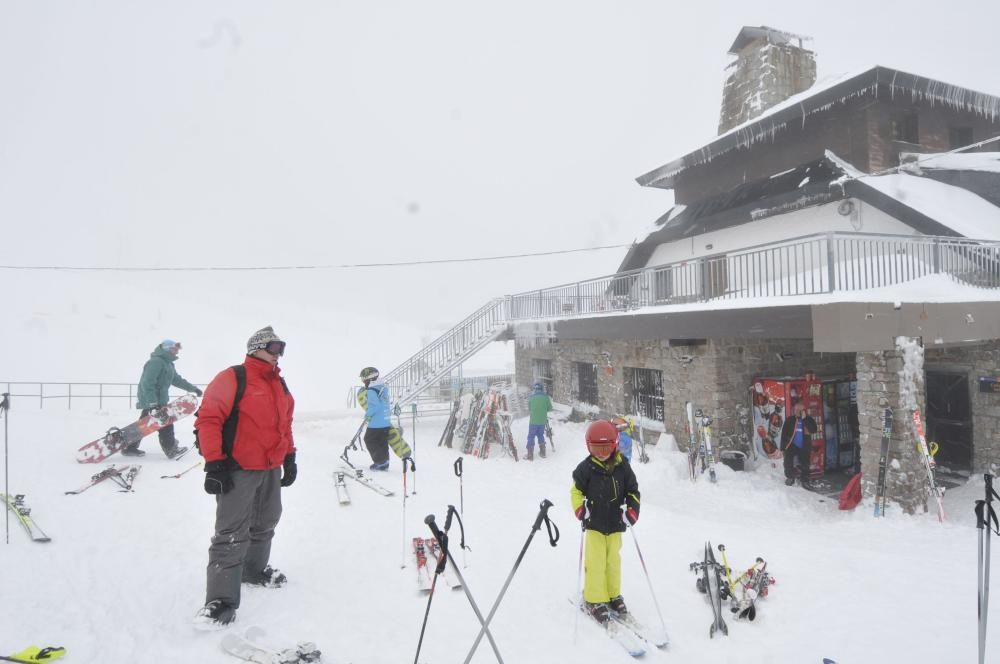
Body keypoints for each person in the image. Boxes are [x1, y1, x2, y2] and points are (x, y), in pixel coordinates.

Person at [193, 326, 297, 629]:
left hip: (270, 467)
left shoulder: (279, 383)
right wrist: (214, 464)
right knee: (231, 532)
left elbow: (285, 424)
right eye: (274, 347)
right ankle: (221, 600)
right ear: (256, 348)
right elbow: (208, 420)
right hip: (238, 468)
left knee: (265, 522)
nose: (279, 354)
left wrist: (289, 456)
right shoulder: (233, 377)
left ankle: (253, 570)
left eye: (282, 348)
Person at [571, 420, 640, 624]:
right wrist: (580, 509)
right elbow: (575, 491)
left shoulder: (622, 466)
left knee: (613, 563)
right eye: (595, 448)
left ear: (615, 444)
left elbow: (633, 491)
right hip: (594, 525)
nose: (601, 453)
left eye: (606, 448)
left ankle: (612, 595)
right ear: (588, 446)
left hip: (615, 525)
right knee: (596, 563)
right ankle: (593, 599)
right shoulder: (586, 468)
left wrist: (632, 511)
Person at [130, 339, 202, 458]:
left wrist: (193, 388)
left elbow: (177, 380)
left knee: (144, 425)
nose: (176, 352)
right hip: (152, 400)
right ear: (167, 349)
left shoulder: (168, 364)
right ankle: (171, 449)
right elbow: (147, 383)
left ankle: (130, 447)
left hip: (158, 400)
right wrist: (152, 403)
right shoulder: (156, 362)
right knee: (165, 423)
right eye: (174, 349)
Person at [358, 366, 391, 471]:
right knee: (382, 442)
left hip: (376, 423)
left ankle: (380, 461)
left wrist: (368, 415)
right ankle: (385, 462)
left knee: (369, 440)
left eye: (364, 380)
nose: (364, 383)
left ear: (370, 379)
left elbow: (375, 406)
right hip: (385, 421)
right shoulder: (383, 388)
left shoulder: (371, 391)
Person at [780, 402, 817, 488]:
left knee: (805, 463)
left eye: (799, 410)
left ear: (803, 411)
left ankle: (805, 480)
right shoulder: (790, 420)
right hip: (791, 445)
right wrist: (783, 447)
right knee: (788, 461)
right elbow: (784, 434)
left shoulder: (808, 419)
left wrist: (805, 419)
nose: (797, 411)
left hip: (804, 445)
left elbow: (813, 430)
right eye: (796, 410)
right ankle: (790, 477)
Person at [525, 382, 553, 460]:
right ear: (542, 388)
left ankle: (530, 455)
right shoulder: (546, 397)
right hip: (542, 421)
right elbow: (550, 408)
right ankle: (543, 452)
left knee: (531, 436)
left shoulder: (531, 397)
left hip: (533, 421)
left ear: (535, 389)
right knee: (540, 435)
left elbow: (529, 408)